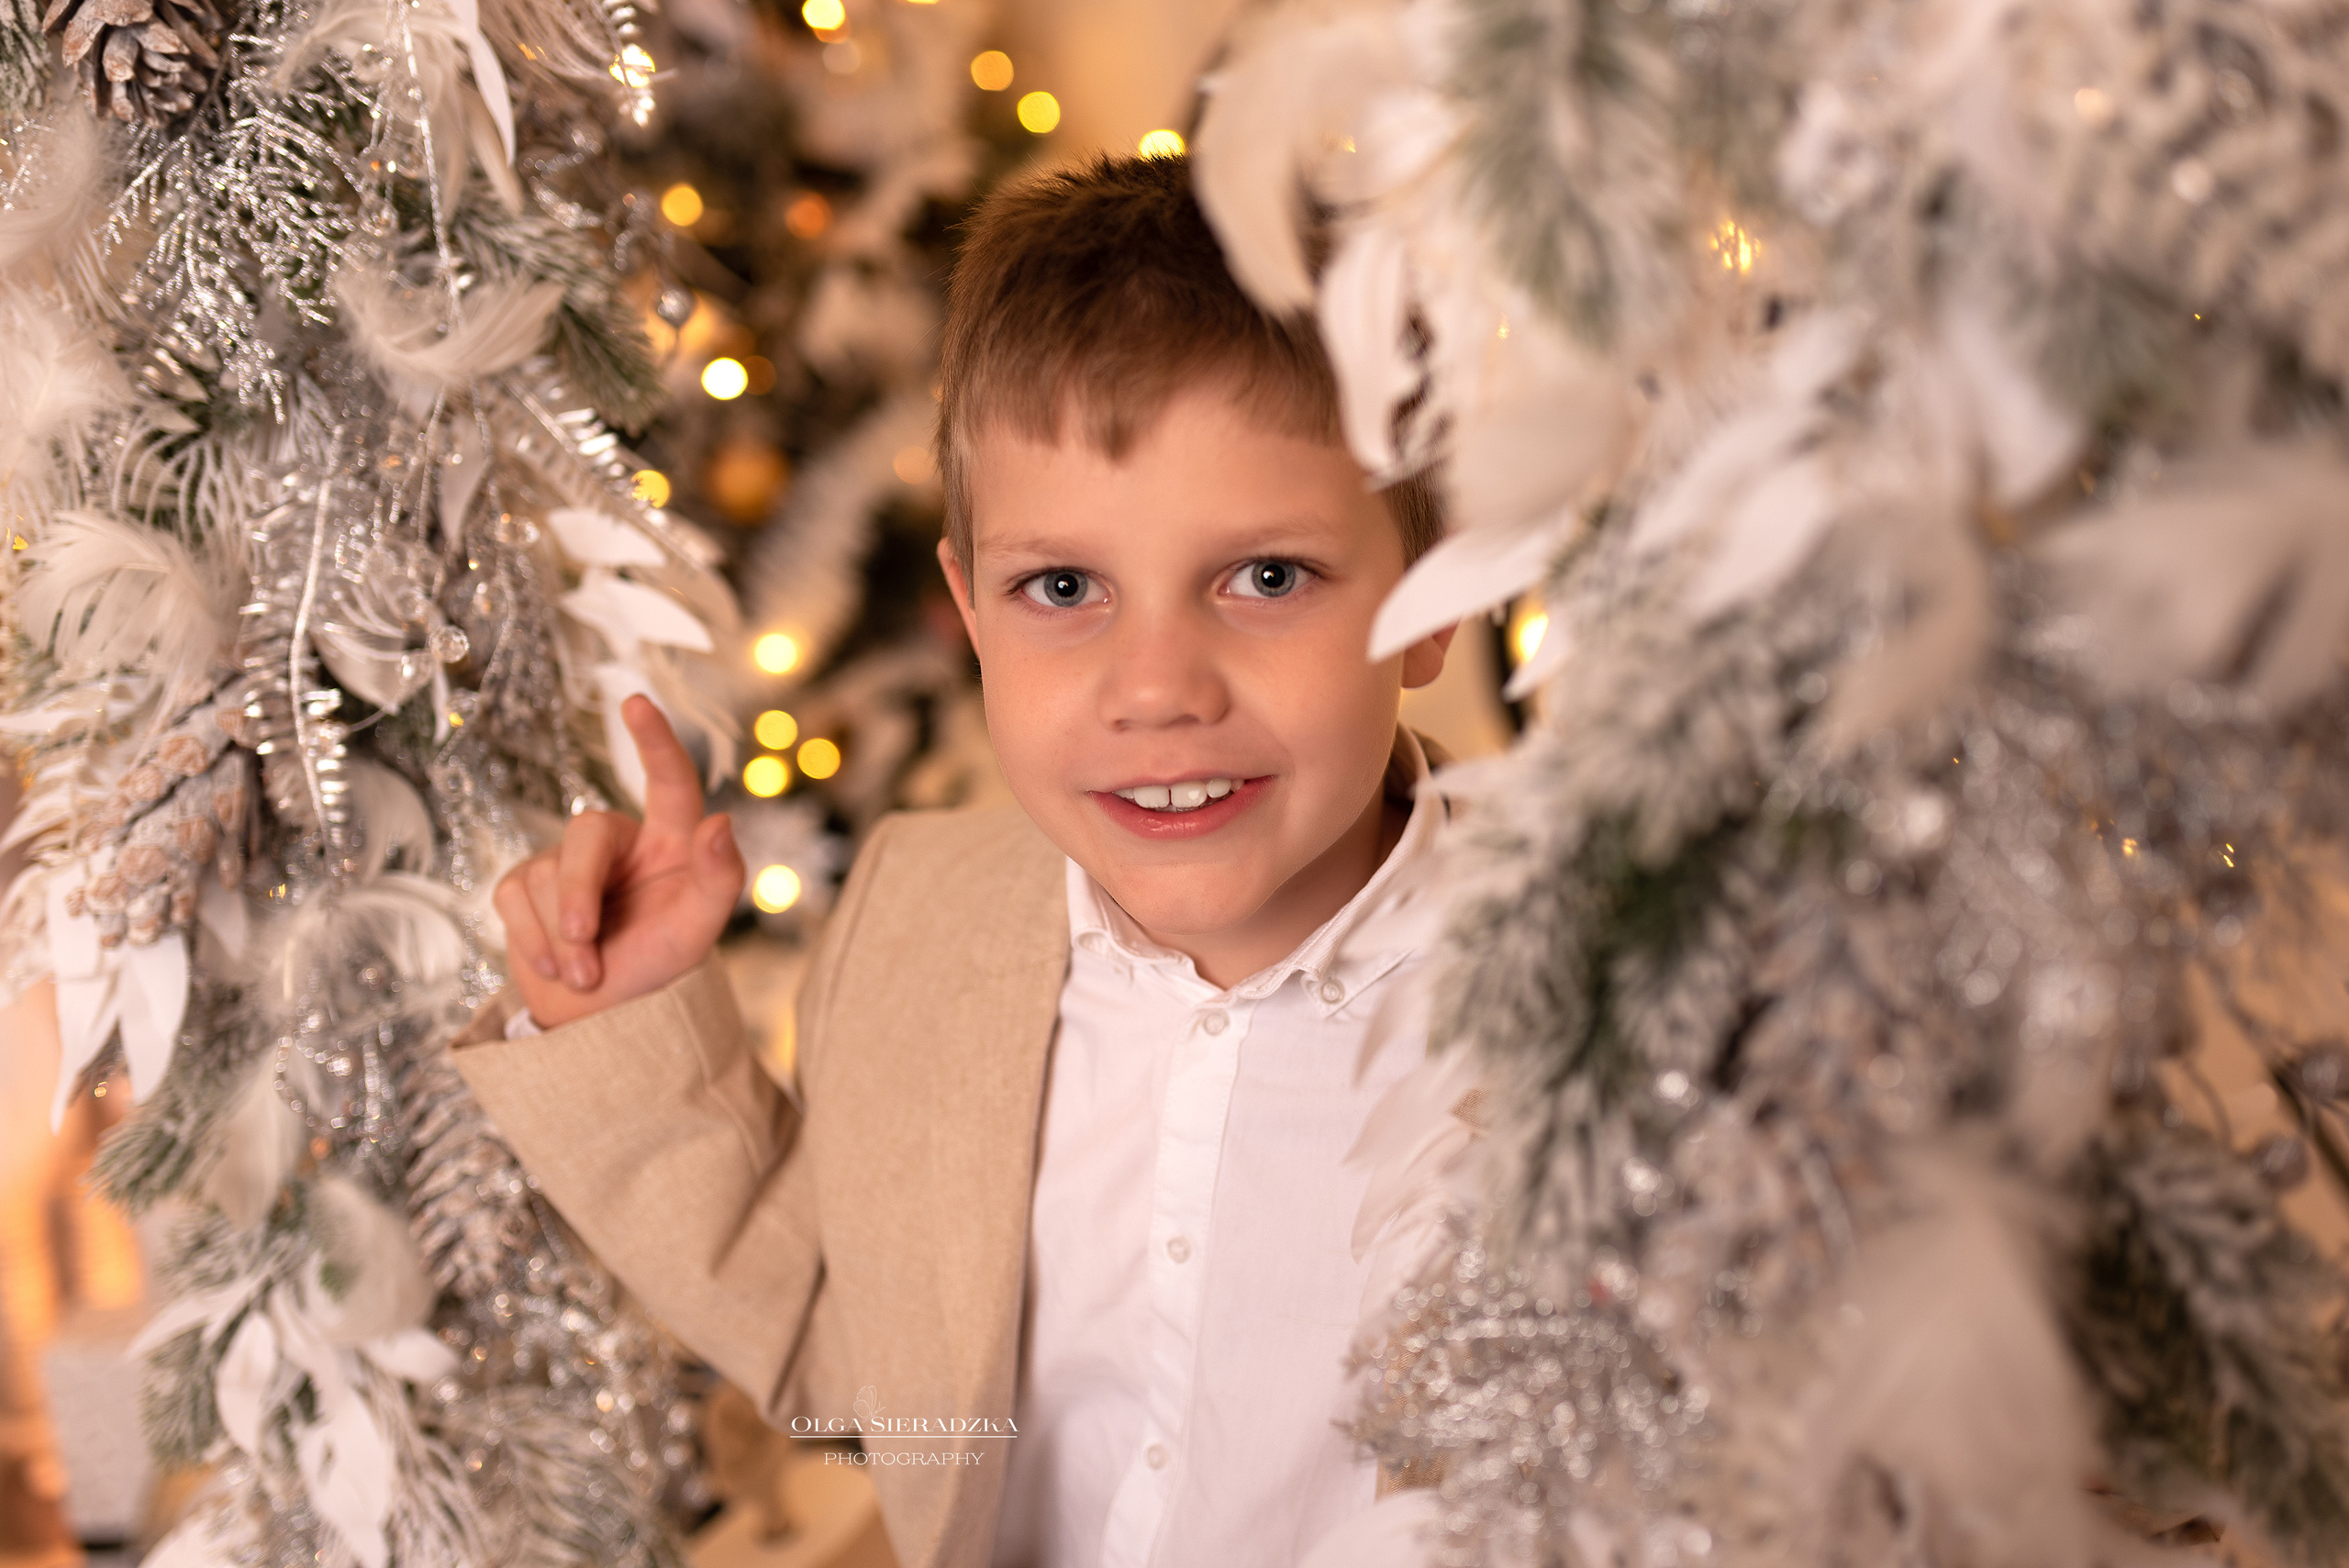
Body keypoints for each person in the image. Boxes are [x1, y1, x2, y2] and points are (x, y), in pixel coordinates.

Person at [454, 153, 1462, 1568]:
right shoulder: (930, 914)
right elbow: (876, 1365)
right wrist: (628, 1025)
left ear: (1434, 597)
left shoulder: (1595, 1000)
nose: (1157, 686)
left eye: (1267, 576)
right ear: (969, 611)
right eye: (1063, 589)